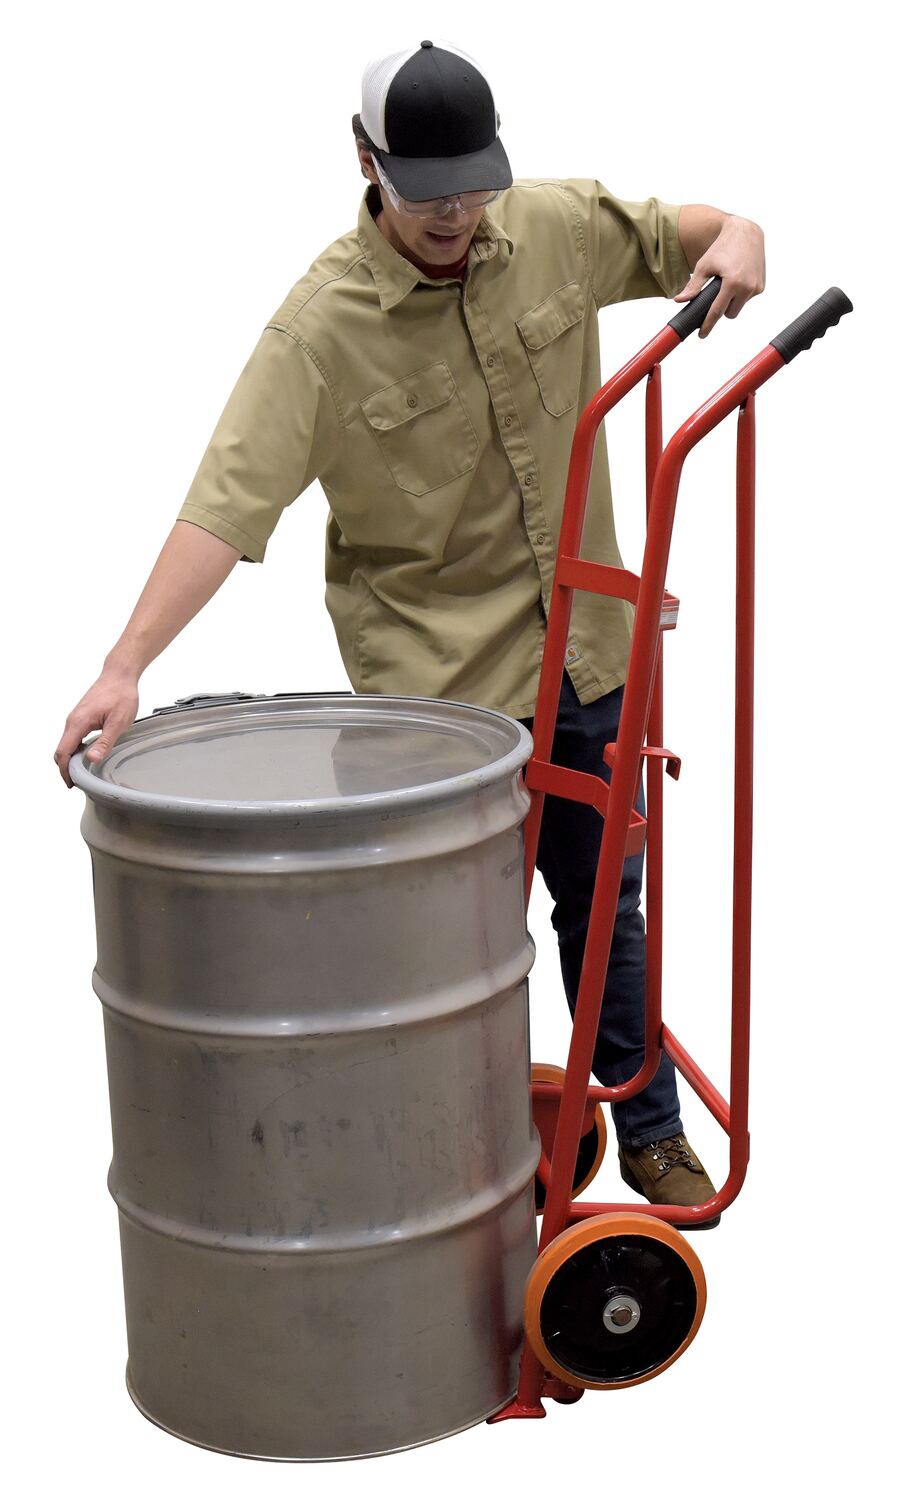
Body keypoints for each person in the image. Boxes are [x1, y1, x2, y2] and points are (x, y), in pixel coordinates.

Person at [55, 39, 765, 1217]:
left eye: (474, 188)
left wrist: (740, 234)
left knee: (606, 909)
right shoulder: (318, 333)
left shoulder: (550, 228)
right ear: (365, 161)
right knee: (445, 957)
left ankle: (647, 1126)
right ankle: (459, 1174)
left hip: (588, 652)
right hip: (440, 713)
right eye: (429, 193)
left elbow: (683, 234)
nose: (455, 216)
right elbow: (224, 508)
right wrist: (124, 665)